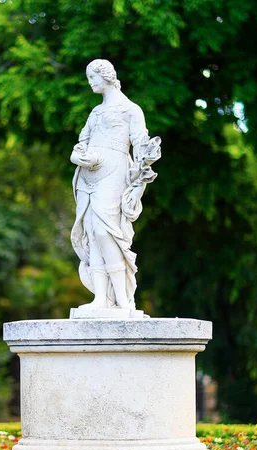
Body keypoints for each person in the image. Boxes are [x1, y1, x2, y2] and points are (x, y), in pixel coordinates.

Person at [71, 59, 161, 310]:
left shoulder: (131, 109)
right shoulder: (95, 112)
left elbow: (142, 146)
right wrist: (77, 155)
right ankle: (100, 298)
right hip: (88, 174)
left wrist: (140, 177)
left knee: (106, 230)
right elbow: (82, 142)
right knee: (91, 230)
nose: (90, 82)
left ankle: (122, 298)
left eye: (93, 77)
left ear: (106, 76)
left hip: (114, 170)